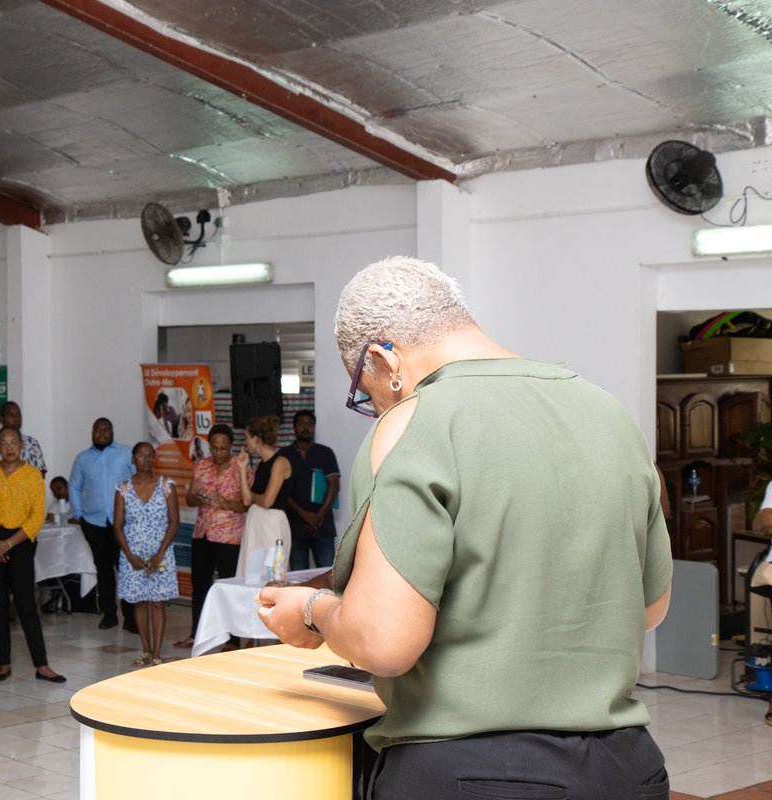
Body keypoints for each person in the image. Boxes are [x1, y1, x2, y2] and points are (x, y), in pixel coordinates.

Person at [257, 256, 674, 799]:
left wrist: (312, 613)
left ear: (385, 359)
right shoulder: (609, 413)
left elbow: (383, 641)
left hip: (476, 773)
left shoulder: (415, 423)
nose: (378, 406)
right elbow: (648, 608)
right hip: (626, 768)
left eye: (368, 391)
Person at [0, 427, 65, 684]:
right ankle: (3, 662)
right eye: (4, 443)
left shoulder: (33, 475)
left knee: (25, 603)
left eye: (14, 442)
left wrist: (8, 544)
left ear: (22, 446)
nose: (9, 447)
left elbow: (36, 518)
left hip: (20, 542)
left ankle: (42, 664)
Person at [174, 424, 247, 651]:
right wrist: (201, 499)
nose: (218, 453)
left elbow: (246, 504)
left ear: (231, 446)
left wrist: (226, 503)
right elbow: (190, 498)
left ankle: (233, 639)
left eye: (223, 449)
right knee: (201, 585)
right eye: (214, 448)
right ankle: (197, 634)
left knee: (228, 586)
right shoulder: (202, 466)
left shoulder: (241, 468)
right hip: (203, 533)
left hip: (229, 537)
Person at [112, 442, 179, 667]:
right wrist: (129, 556)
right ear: (133, 459)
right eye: (141, 456)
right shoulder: (123, 488)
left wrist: (161, 552)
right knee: (139, 602)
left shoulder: (166, 486)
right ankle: (146, 651)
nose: (146, 460)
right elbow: (118, 525)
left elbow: (174, 522)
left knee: (158, 602)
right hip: (134, 554)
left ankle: (158, 653)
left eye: (150, 456)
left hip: (161, 552)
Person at [69, 418, 136, 631]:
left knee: (125, 569)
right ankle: (109, 614)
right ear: (92, 432)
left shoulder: (126, 453)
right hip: (94, 522)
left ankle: (131, 618)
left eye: (106, 429)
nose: (101, 433)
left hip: (122, 522)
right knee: (104, 569)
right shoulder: (82, 459)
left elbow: (139, 481)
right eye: (97, 429)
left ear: (112, 431)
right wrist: (79, 514)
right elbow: (74, 487)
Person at [278, 410, 340, 570]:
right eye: (301, 424)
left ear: (314, 427)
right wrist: (305, 515)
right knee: (298, 580)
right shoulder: (284, 455)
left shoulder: (325, 453)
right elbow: (281, 491)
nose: (305, 427)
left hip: (323, 527)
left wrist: (317, 517)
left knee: (328, 576)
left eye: (309, 424)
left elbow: (334, 486)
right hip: (295, 528)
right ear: (294, 427)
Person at [235, 415, 292, 582]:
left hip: (272, 523)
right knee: (251, 574)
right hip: (256, 522)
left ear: (255, 438)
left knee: (271, 573)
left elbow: (268, 501)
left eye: (246, 437)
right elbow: (246, 500)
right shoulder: (260, 464)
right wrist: (242, 469)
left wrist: (253, 497)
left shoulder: (280, 462)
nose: (246, 442)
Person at [0, 401, 46, 474]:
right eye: (11, 415)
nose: (16, 418)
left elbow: (41, 473)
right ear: (1, 419)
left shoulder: (32, 443)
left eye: (18, 415)